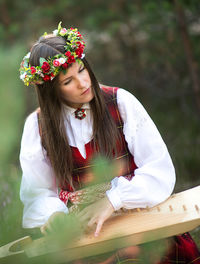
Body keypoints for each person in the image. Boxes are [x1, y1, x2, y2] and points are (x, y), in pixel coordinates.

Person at [19, 22, 200, 263]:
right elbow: (36, 192)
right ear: (52, 91)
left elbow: (159, 169)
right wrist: (54, 215)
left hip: (139, 219)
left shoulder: (120, 102)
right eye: (67, 81)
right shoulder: (38, 126)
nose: (83, 83)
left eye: (81, 70)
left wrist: (113, 200)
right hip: (85, 236)